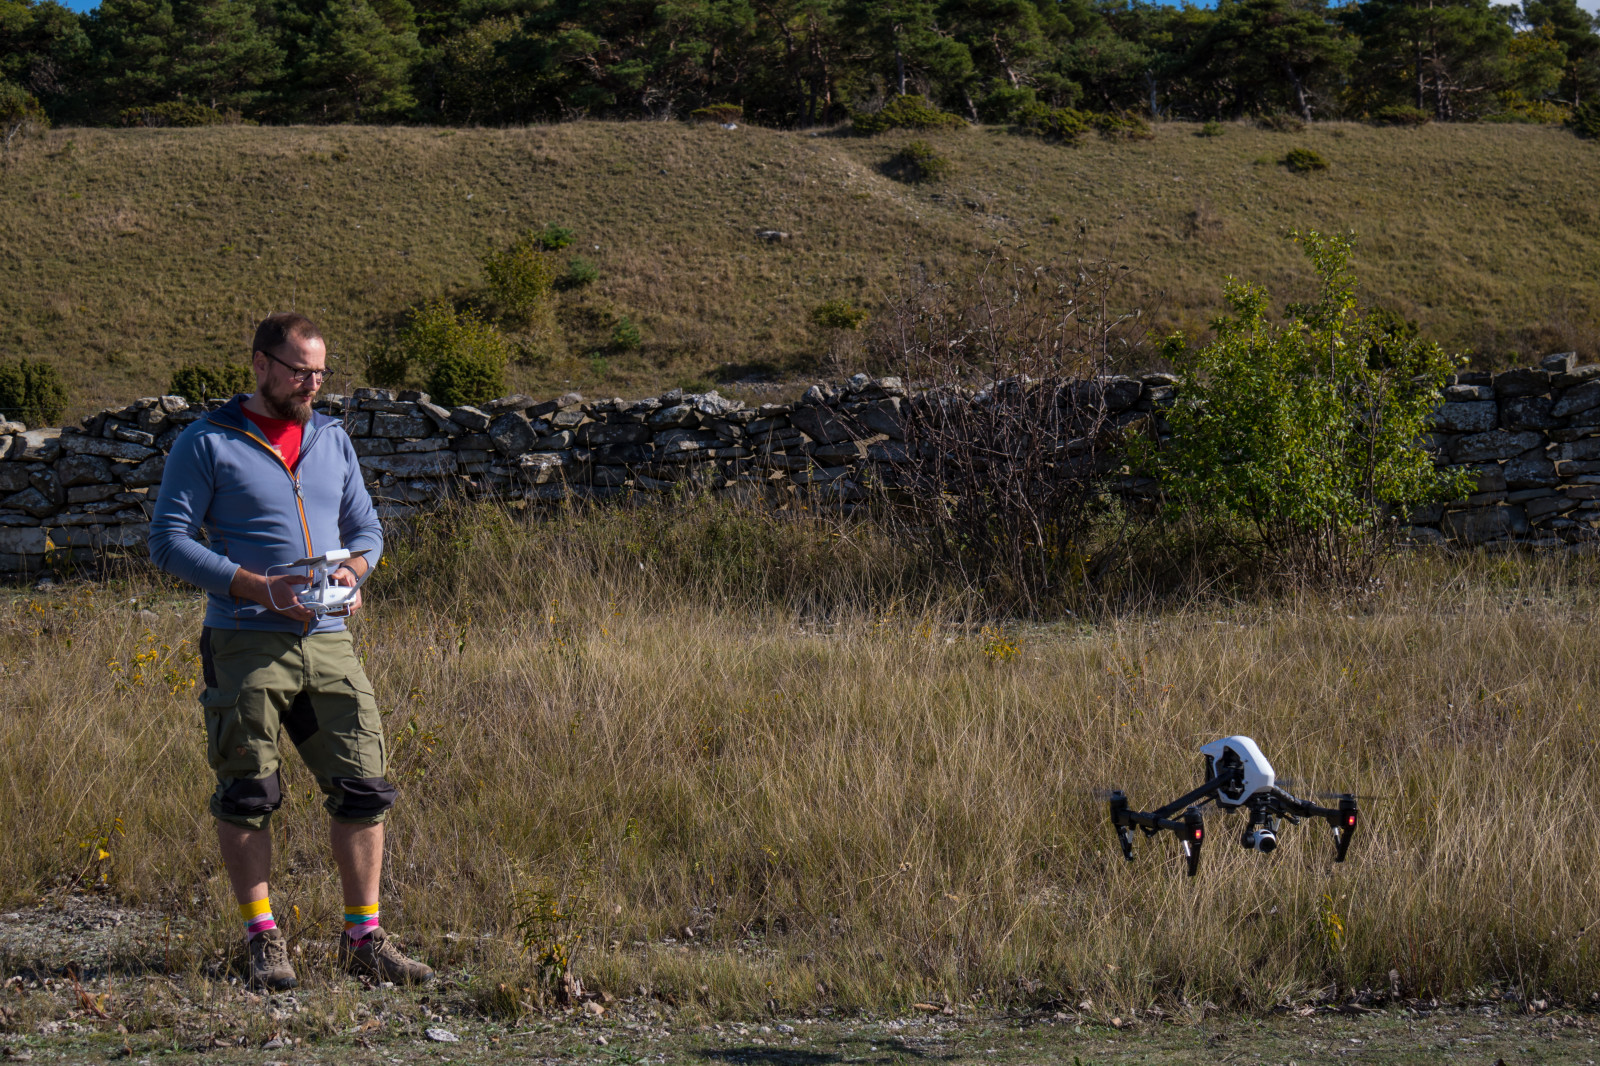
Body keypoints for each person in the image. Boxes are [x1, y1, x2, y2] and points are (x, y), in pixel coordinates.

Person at [149, 312, 432, 991]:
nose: (314, 383)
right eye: (302, 370)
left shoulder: (332, 437)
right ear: (261, 364)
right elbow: (169, 541)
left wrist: (354, 575)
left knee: (364, 786)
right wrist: (256, 588)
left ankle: (364, 940)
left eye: (322, 372)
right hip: (244, 640)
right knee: (249, 792)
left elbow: (367, 530)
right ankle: (263, 939)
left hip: (329, 641)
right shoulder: (207, 442)